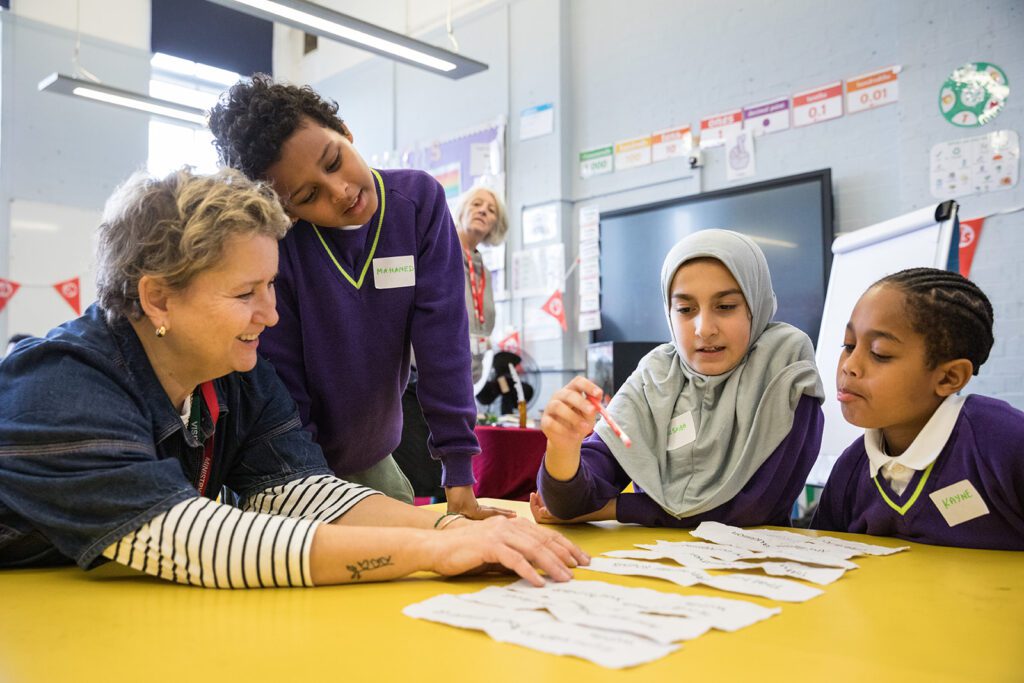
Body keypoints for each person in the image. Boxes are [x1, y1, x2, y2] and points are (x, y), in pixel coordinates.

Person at [0, 168, 587, 587]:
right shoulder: (61, 387)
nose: (272, 314)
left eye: (271, 286)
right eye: (244, 293)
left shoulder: (232, 375)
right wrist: (434, 546)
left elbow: (300, 492)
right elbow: (196, 541)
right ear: (158, 300)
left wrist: (449, 523)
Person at [208, 76, 510, 518]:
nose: (341, 192)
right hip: (287, 469)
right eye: (308, 195)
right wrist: (317, 497)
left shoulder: (418, 205)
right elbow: (284, 388)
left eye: (334, 161)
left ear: (346, 132)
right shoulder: (280, 245)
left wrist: (459, 480)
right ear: (286, 210)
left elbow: (442, 343)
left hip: (371, 459)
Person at [532, 229, 825, 527]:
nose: (704, 328)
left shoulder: (784, 362)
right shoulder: (657, 374)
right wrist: (563, 448)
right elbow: (570, 504)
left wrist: (616, 508)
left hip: (756, 564)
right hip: (654, 562)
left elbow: (753, 507)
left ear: (755, 303)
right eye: (685, 309)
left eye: (725, 307)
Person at [813, 268, 1024, 550]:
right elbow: (824, 559)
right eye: (849, 345)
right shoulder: (851, 470)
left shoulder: (1003, 442)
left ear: (949, 378)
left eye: (879, 353)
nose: (849, 366)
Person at [455, 186, 509, 383]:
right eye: (476, 204)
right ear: (461, 211)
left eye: (491, 210)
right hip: (425, 381)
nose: (483, 210)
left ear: (495, 224)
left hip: (467, 381)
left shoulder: (483, 271)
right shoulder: (440, 254)